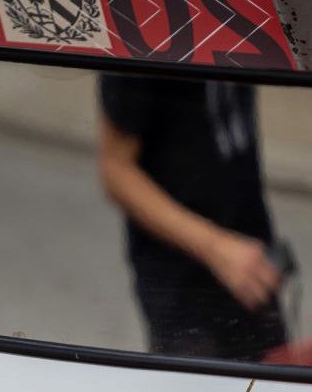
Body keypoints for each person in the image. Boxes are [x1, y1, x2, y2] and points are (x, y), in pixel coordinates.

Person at [97, 73, 289, 360]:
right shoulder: (144, 34)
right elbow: (115, 171)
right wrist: (217, 248)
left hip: (252, 263)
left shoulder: (244, 29)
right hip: (184, 284)